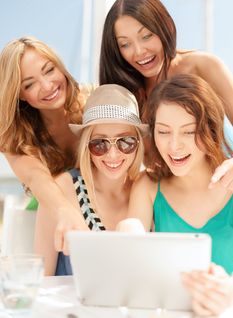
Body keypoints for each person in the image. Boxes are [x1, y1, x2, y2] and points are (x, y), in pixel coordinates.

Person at [117, 74, 233, 316]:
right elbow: (133, 251)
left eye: (189, 132)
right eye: (163, 131)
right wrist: (127, 233)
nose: (174, 146)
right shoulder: (148, 185)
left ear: (210, 129)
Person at [99, 0, 233, 190]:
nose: (139, 51)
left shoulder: (203, 66)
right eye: (125, 44)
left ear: (166, 26)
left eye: (146, 36)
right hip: (178, 201)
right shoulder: (128, 97)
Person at [35, 84, 147, 275]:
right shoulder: (62, 189)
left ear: (138, 143)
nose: (112, 155)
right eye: (100, 143)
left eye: (125, 142)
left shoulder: (147, 189)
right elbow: (41, 278)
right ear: (87, 146)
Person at [0, 36, 95, 252]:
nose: (47, 86)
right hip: (50, 209)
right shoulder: (13, 134)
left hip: (101, 204)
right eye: (30, 84)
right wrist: (64, 210)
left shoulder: (93, 101)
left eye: (49, 70)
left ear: (60, 67)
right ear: (20, 95)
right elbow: (36, 177)